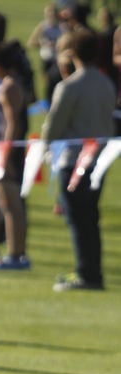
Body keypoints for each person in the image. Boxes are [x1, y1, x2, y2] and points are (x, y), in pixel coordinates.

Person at [41, 29, 115, 291]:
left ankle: (86, 273)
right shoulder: (106, 84)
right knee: (90, 218)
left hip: (73, 161)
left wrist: (45, 149)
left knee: (78, 219)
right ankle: (92, 271)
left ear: (72, 53)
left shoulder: (69, 86)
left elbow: (53, 127)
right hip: (99, 161)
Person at [0, 41, 30, 270]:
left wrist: (4, 154)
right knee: (11, 203)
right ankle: (17, 253)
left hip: (9, 150)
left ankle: (15, 254)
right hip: (12, 148)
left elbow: (12, 124)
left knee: (10, 204)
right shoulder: (14, 83)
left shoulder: (8, 87)